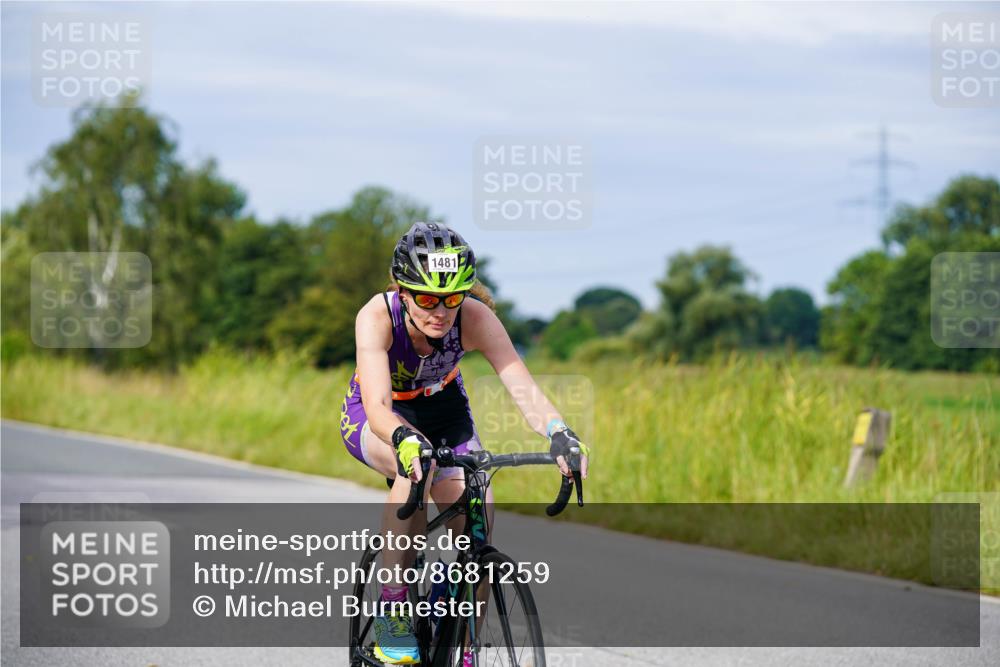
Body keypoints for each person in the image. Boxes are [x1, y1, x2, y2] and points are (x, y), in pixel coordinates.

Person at [340, 221, 590, 665]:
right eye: (428, 299)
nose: (440, 311)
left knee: (480, 509)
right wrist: (403, 439)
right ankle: (393, 609)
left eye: (452, 298)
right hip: (379, 414)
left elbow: (524, 388)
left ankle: (461, 635)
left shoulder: (475, 318)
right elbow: (378, 404)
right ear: (403, 292)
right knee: (415, 467)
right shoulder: (377, 316)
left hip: (444, 408)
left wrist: (560, 432)